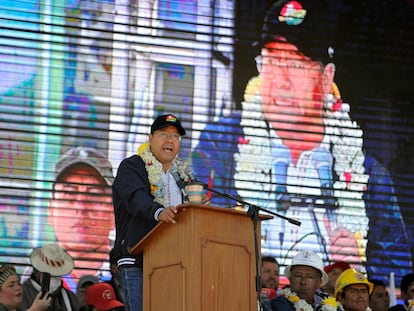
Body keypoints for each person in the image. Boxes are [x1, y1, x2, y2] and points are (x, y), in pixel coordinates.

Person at [233, 0, 412, 283]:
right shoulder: (220, 149)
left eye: (294, 65)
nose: (280, 80)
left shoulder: (369, 174)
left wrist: (359, 263)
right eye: (271, 62)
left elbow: (399, 277)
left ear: (326, 78)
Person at [112, 113, 193, 311]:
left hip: (176, 264)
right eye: (163, 134)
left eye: (175, 136)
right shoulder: (133, 166)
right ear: (150, 138)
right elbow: (135, 197)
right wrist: (158, 212)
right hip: (138, 261)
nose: (169, 140)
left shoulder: (183, 176)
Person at [48, 146, 114, 288]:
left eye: (95, 194)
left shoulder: (135, 272)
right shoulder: (33, 279)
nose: (81, 207)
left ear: (114, 213)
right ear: (51, 211)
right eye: (69, 194)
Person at [270, 250, 339, 311]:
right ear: (290, 279)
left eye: (309, 277)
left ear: (319, 283)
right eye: (298, 276)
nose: (303, 282)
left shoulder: (332, 305)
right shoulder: (278, 304)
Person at [20, 243, 81, 311]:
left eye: (57, 274)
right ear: (36, 270)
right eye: (50, 275)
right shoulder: (20, 295)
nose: (54, 278)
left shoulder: (70, 298)